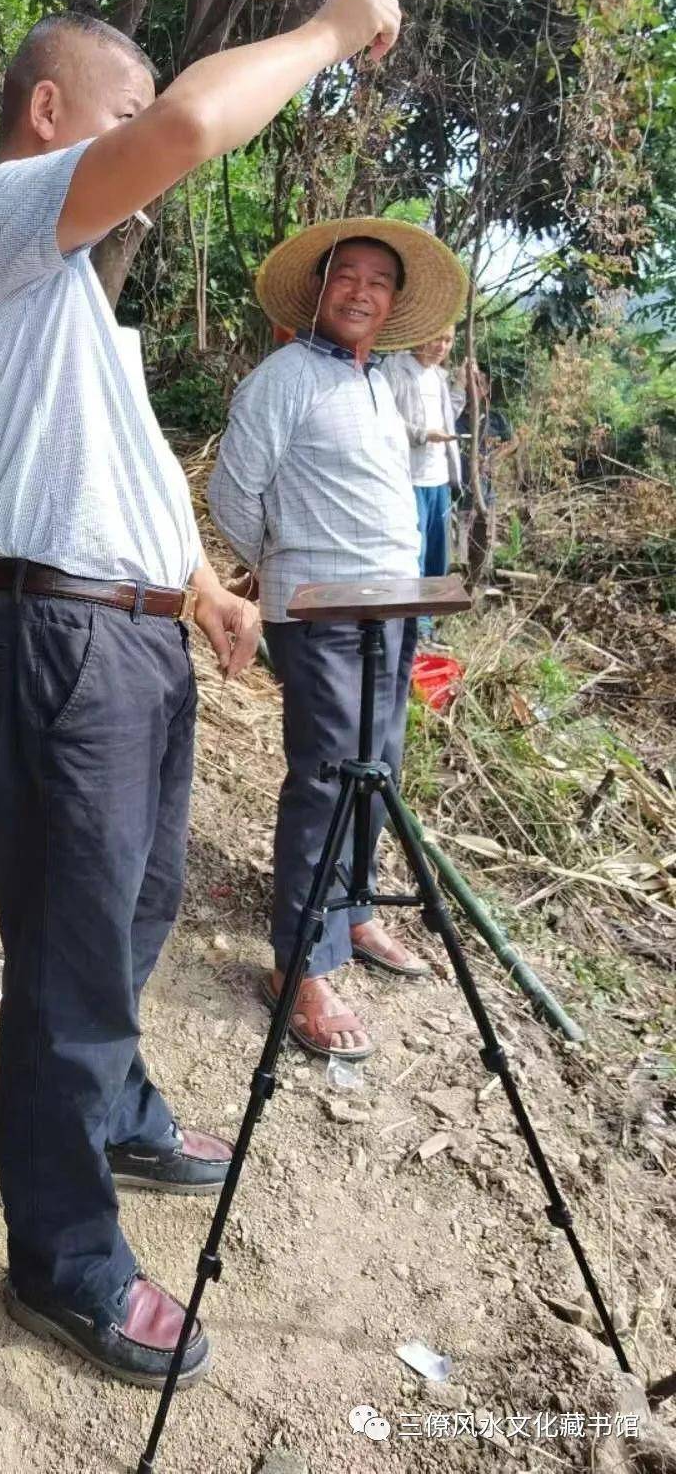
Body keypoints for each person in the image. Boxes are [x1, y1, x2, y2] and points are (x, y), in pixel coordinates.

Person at [0, 0, 402, 1387]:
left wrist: (198, 589)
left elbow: (106, 470)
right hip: (61, 644)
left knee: (143, 900)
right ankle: (64, 1258)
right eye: (110, 120)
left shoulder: (57, 291)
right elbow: (187, 121)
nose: (138, 155)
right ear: (50, 114)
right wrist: (329, 27)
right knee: (68, 957)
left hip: (130, 635)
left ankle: (110, 1106)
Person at [208, 222, 467, 1062]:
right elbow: (233, 496)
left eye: (378, 282)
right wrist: (285, 572)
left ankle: (351, 913)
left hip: (392, 610)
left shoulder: (378, 381)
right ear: (317, 293)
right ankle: (300, 963)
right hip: (319, 615)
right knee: (323, 779)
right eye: (345, 276)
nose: (361, 291)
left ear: (392, 304)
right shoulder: (283, 379)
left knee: (377, 767)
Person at [382, 331, 461, 628]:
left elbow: (447, 417)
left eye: (449, 340)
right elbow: (384, 417)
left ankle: (425, 624)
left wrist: (462, 389)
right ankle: (408, 624)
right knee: (413, 552)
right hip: (409, 478)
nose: (442, 346)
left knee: (437, 558)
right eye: (437, 338)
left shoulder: (439, 376)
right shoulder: (395, 368)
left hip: (438, 478)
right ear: (420, 334)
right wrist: (422, 434)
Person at [451, 360, 516, 563]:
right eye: (469, 382)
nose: (474, 387)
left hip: (486, 497)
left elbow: (513, 441)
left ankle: (481, 587)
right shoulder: (453, 417)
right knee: (460, 555)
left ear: (486, 388)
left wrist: (492, 459)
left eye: (479, 383)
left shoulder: (495, 419)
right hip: (458, 498)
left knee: (483, 550)